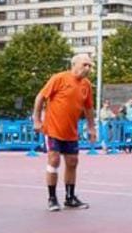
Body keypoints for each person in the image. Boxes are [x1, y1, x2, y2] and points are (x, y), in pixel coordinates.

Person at [34, 54, 97, 211]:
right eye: (85, 65)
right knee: (54, 159)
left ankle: (70, 197)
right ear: (74, 64)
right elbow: (40, 97)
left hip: (71, 131)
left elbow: (88, 108)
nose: (88, 68)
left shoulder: (86, 85)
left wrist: (91, 127)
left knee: (72, 162)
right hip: (53, 128)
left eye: (90, 66)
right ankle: (52, 198)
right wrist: (36, 120)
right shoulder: (59, 78)